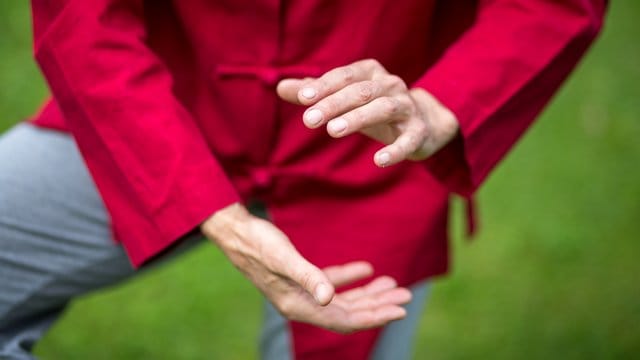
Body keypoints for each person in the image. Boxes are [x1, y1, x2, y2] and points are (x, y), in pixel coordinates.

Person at [0, 0, 606, 359]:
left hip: (373, 145)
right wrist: (213, 212)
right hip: (155, 112)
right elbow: (82, 19)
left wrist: (441, 106)